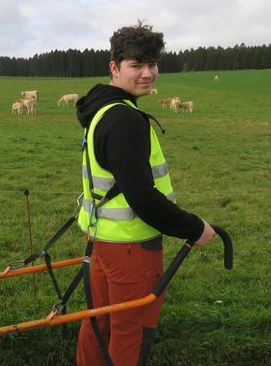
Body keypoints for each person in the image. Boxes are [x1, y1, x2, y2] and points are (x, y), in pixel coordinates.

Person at [75, 23, 217, 366]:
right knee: (131, 330)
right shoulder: (125, 119)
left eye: (152, 64)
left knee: (99, 323)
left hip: (102, 241)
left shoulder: (102, 111)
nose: (147, 74)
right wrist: (195, 228)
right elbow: (142, 197)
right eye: (136, 66)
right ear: (114, 67)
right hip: (132, 248)